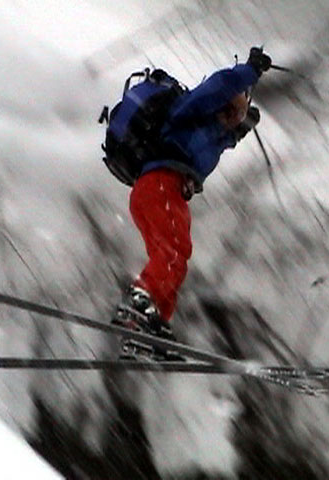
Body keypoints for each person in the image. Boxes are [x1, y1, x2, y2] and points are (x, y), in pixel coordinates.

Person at [112, 47, 272, 356]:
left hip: (159, 190)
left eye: (238, 114)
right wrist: (249, 72)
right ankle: (138, 307)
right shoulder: (189, 111)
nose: (234, 117)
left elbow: (222, 139)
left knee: (174, 259)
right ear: (220, 105)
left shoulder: (212, 134)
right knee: (173, 253)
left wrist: (242, 125)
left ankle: (149, 327)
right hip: (161, 185)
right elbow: (217, 87)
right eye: (232, 110)